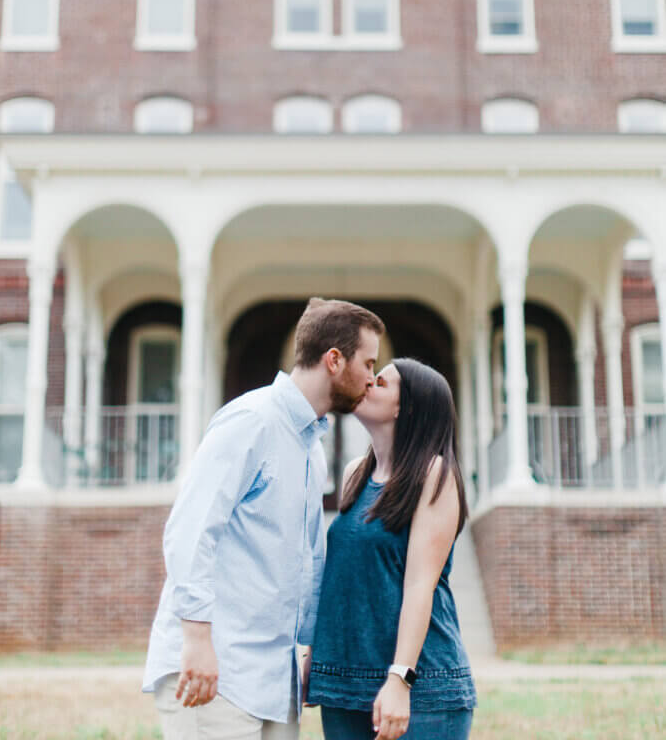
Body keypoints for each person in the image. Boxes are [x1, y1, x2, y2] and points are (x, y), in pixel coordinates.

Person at [142, 297, 385, 740]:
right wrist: (196, 640)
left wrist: (310, 647)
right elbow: (189, 532)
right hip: (215, 673)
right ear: (334, 360)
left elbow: (308, 559)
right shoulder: (250, 421)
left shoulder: (311, 444)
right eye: (368, 363)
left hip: (275, 681)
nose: (373, 378)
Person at [306, 358, 477, 740]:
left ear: (407, 407)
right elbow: (340, 577)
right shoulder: (354, 474)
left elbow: (420, 585)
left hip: (422, 689)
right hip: (346, 687)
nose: (366, 382)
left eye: (380, 382)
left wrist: (401, 680)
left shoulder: (435, 474)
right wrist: (316, 656)